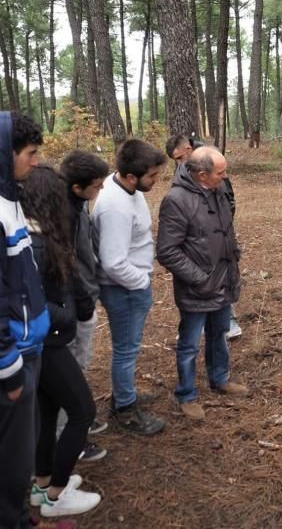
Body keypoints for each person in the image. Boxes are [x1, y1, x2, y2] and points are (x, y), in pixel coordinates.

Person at [20, 166, 101, 518]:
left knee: (48, 410)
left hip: (45, 341)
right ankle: (56, 496)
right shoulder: (34, 244)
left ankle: (42, 484)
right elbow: (32, 299)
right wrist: (67, 314)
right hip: (48, 343)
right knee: (83, 410)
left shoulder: (37, 235)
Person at [157, 146, 248, 421]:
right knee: (189, 343)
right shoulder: (176, 200)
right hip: (197, 288)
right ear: (201, 174)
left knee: (219, 332)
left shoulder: (217, 190)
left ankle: (219, 378)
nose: (225, 175)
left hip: (222, 281)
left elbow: (224, 229)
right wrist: (200, 278)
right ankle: (186, 394)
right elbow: (167, 251)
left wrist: (233, 255)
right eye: (220, 172)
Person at [92, 139, 166, 435]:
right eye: (152, 176)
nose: (156, 180)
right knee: (126, 349)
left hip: (130, 285)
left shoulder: (125, 187)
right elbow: (112, 262)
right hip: (123, 289)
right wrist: (142, 283)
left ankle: (126, 393)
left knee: (128, 347)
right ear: (131, 176)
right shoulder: (114, 207)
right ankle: (124, 407)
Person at [0, 111, 49, 529]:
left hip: (26, 346)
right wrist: (9, 371)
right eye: (30, 153)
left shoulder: (10, 199)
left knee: (22, 456)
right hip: (10, 359)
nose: (36, 161)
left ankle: (19, 516)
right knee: (11, 461)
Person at [59, 150, 110, 461]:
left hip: (82, 300)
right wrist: (83, 303)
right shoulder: (64, 214)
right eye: (96, 185)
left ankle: (79, 420)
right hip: (75, 307)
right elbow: (69, 266)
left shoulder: (77, 206)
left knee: (78, 368)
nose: (101, 190)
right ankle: (69, 438)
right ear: (77, 187)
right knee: (70, 373)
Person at [166, 133, 242, 339]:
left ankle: (230, 321)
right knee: (208, 276)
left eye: (180, 158)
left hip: (217, 234)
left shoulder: (212, 163)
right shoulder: (187, 175)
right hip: (201, 242)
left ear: (188, 150)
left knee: (220, 275)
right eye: (176, 160)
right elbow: (167, 250)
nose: (179, 163)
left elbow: (228, 199)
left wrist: (224, 226)